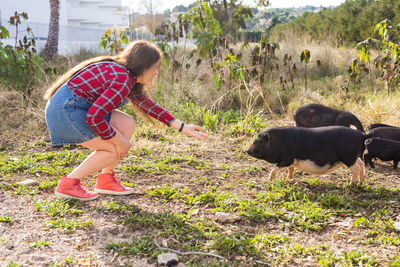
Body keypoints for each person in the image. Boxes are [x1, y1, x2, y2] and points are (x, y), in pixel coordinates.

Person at [44, 40, 208, 201]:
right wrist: (119, 141)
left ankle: (106, 180)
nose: (156, 72)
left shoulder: (125, 76)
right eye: (155, 67)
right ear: (143, 66)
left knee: (127, 123)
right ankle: (69, 184)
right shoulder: (121, 78)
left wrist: (182, 126)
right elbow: (95, 117)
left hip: (70, 108)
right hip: (65, 112)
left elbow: (148, 105)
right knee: (112, 150)